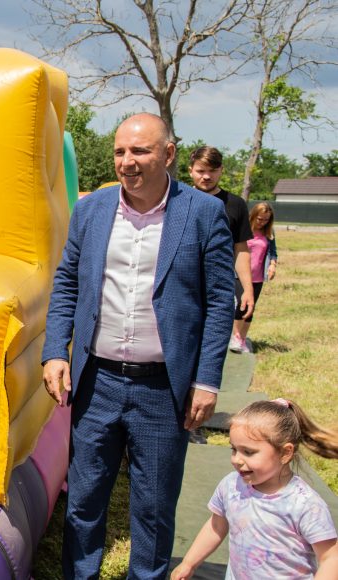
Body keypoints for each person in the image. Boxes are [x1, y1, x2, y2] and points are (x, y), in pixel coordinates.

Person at [41, 113, 234, 579]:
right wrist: (55, 350)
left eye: (140, 151)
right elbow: (67, 282)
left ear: (168, 154)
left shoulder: (202, 213)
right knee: (84, 500)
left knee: (154, 508)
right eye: (120, 151)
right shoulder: (91, 209)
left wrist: (207, 380)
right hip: (97, 382)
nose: (127, 161)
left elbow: (218, 302)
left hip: (163, 389)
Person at [170, 399, 338, 579]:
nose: (236, 459)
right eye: (234, 449)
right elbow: (216, 526)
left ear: (285, 453)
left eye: (248, 452)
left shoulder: (305, 504)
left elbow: (330, 558)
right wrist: (189, 563)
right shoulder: (231, 486)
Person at [188, 146, 256, 352]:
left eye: (212, 171)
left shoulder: (236, 205)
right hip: (184, 286)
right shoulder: (176, 200)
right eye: (201, 171)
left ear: (221, 171)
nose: (206, 176)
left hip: (219, 289)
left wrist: (247, 289)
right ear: (190, 170)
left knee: (213, 347)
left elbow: (241, 249)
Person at [233, 202, 279, 353]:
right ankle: (235, 337)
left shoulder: (269, 232)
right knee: (241, 305)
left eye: (266, 220)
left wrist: (272, 265)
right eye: (260, 219)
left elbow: (273, 252)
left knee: (251, 308)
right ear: (253, 215)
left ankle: (242, 339)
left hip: (258, 277)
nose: (262, 222)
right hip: (239, 276)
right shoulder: (243, 229)